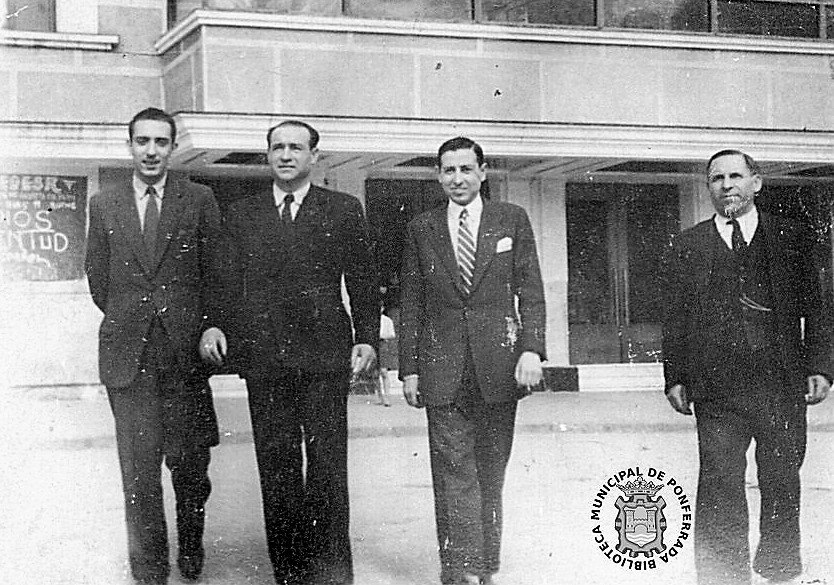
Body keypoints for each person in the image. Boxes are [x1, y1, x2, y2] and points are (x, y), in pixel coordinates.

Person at [199, 120, 379, 585]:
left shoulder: (342, 209)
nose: (285, 155)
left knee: (327, 467)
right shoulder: (241, 213)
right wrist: (215, 323)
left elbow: (361, 279)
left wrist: (366, 338)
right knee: (276, 469)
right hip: (265, 358)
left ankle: (332, 572)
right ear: (267, 155)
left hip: (324, 358)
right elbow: (223, 281)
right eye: (277, 147)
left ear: (314, 156)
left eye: (295, 148)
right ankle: (291, 573)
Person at [662, 149, 833, 585]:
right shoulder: (689, 244)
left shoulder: (790, 238)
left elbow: (817, 306)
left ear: (756, 183)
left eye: (735, 176)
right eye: (716, 178)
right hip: (717, 387)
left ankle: (779, 570)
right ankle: (723, 575)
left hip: (779, 381)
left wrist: (820, 366)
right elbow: (676, 317)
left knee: (780, 478)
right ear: (708, 187)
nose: (726, 185)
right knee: (719, 482)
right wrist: (675, 376)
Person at [398, 136, 546, 585]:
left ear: (483, 172)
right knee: (452, 471)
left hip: (499, 367)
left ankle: (485, 561)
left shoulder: (511, 220)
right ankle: (460, 569)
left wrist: (531, 349)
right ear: (439, 176)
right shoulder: (422, 228)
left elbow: (531, 292)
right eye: (448, 170)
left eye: (466, 169)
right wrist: (410, 367)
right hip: (442, 369)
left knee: (489, 469)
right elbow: (413, 301)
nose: (457, 178)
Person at [85, 107, 220, 585]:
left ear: (172, 147)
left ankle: (190, 545)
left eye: (161, 142)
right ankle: (149, 568)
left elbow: (215, 273)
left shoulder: (199, 199)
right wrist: (136, 320)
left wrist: (204, 326)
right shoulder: (105, 204)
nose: (151, 151)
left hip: (184, 358)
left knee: (189, 466)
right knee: (138, 473)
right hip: (129, 359)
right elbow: (99, 281)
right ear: (130, 146)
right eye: (142, 141)